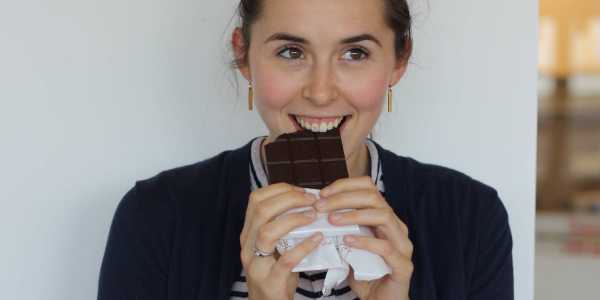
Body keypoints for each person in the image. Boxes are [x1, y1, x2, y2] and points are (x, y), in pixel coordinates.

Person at [97, 0, 514, 299]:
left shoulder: (471, 217)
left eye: (355, 53)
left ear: (398, 60)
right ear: (243, 54)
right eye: (291, 52)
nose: (320, 92)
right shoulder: (155, 215)